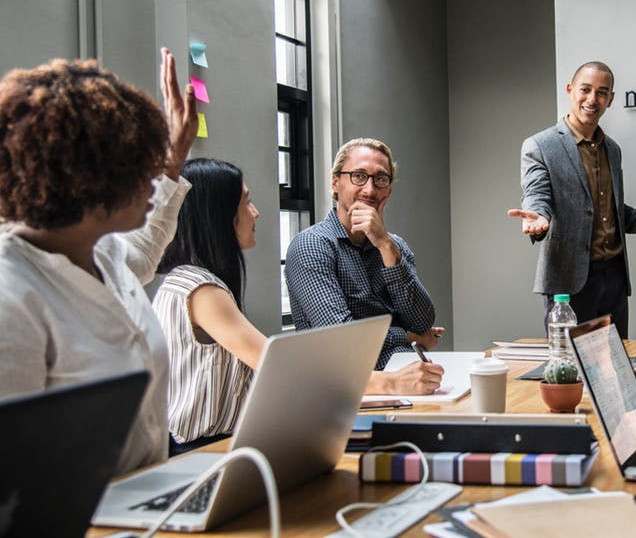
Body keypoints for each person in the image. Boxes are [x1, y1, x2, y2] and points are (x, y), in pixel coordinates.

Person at [0, 49, 197, 474]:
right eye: (140, 169)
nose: (153, 179)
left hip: (145, 502)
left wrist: (174, 159)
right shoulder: (11, 297)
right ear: (89, 181)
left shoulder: (101, 251)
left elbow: (141, 253)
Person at [509, 61, 636, 338]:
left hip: (614, 278)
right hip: (569, 282)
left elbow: (607, 212)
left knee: (615, 366)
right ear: (570, 90)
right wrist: (538, 216)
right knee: (570, 370)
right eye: (585, 90)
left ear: (610, 99)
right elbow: (536, 194)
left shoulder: (612, 149)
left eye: (602, 93)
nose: (592, 99)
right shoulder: (540, 145)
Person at [285, 138, 444, 395]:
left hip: (409, 378)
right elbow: (344, 342)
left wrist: (385, 246)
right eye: (358, 176)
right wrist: (408, 337)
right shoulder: (312, 246)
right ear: (335, 182)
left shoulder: (394, 246)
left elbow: (423, 321)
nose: (370, 190)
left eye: (380, 179)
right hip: (350, 391)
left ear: (389, 190)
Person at [153, 158, 266, 455]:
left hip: (212, 445)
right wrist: (388, 384)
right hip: (201, 452)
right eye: (246, 203)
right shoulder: (200, 289)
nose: (256, 213)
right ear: (218, 215)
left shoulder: (187, 279)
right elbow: (274, 364)